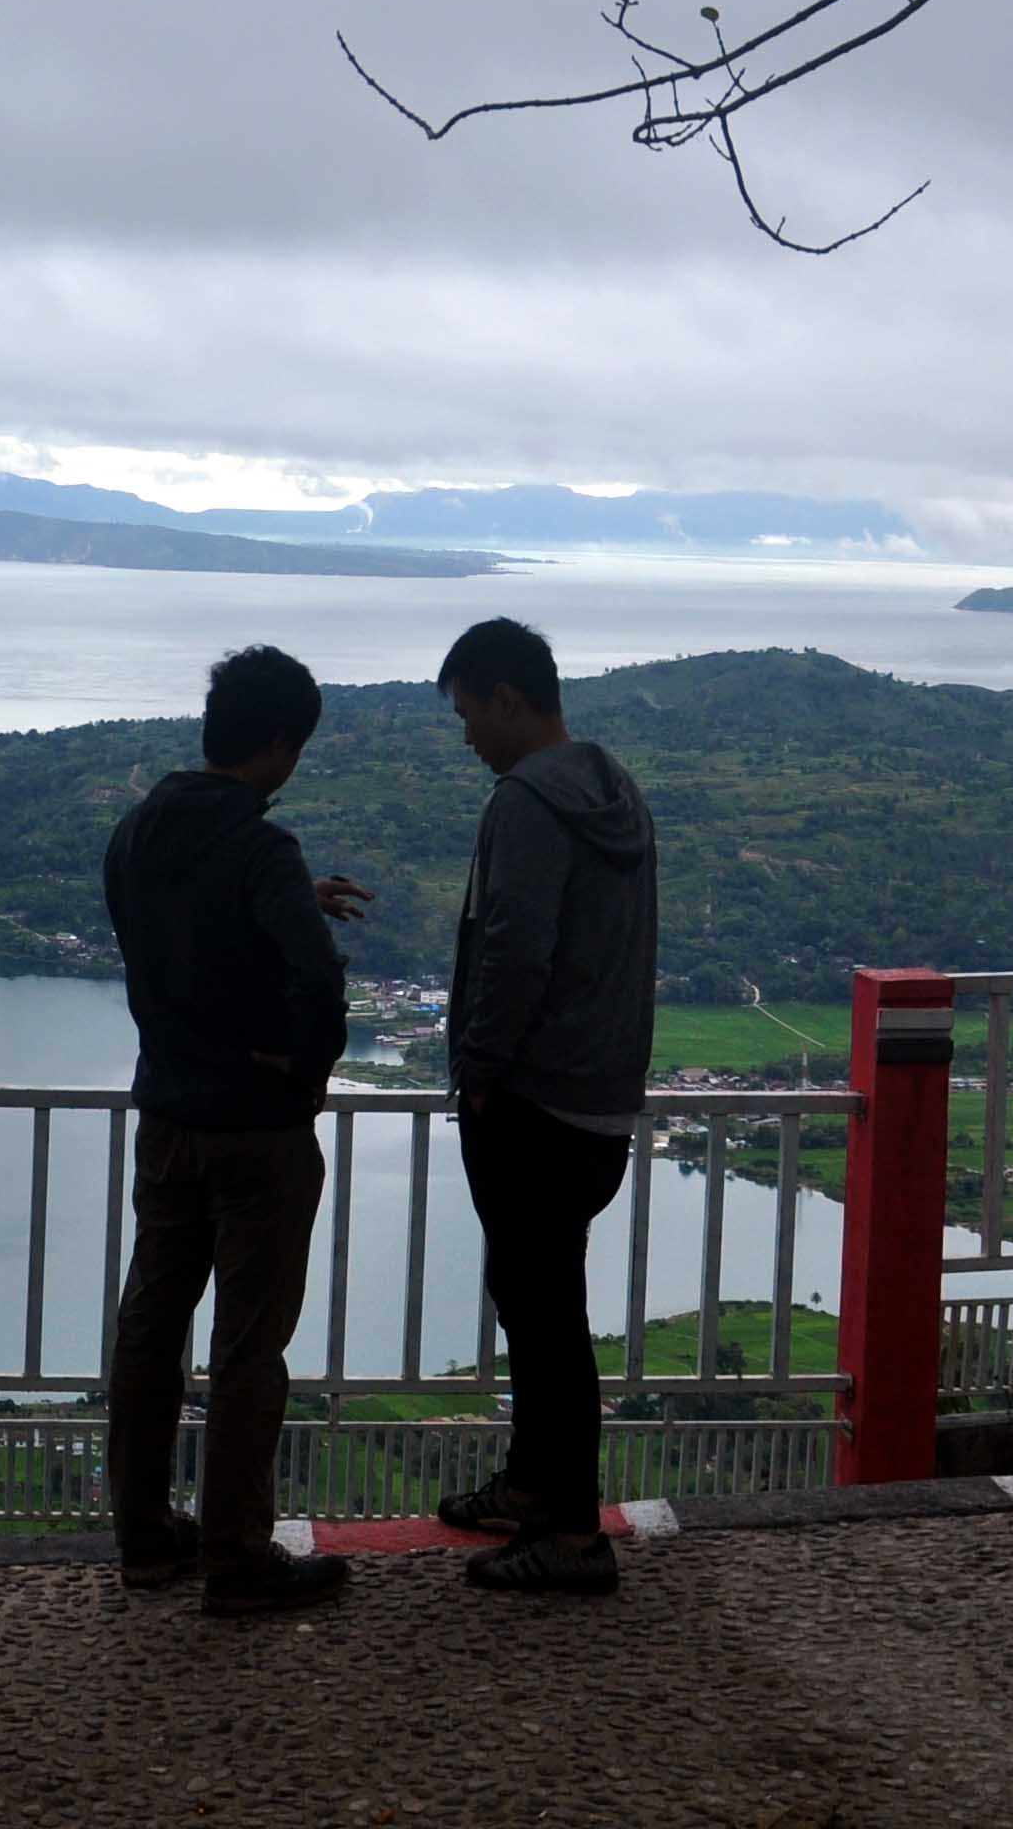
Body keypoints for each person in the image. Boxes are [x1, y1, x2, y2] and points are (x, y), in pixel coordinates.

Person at [102, 644, 367, 1618]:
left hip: (165, 1114)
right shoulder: (262, 849)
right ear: (280, 741)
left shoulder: (134, 832)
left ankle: (142, 1537)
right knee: (249, 1344)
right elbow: (317, 981)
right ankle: (237, 1556)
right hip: (255, 1130)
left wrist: (291, 908)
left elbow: (169, 943)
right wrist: (303, 1072)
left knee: (150, 1325)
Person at [431, 616, 658, 1596]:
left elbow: (514, 949)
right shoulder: (616, 791)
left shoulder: (523, 803)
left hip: (529, 1099)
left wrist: (478, 1068)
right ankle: (533, 1486)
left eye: (471, 712)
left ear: (510, 697)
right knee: (541, 1302)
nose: (468, 735)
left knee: (545, 1315)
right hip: (599, 1098)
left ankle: (570, 1534)